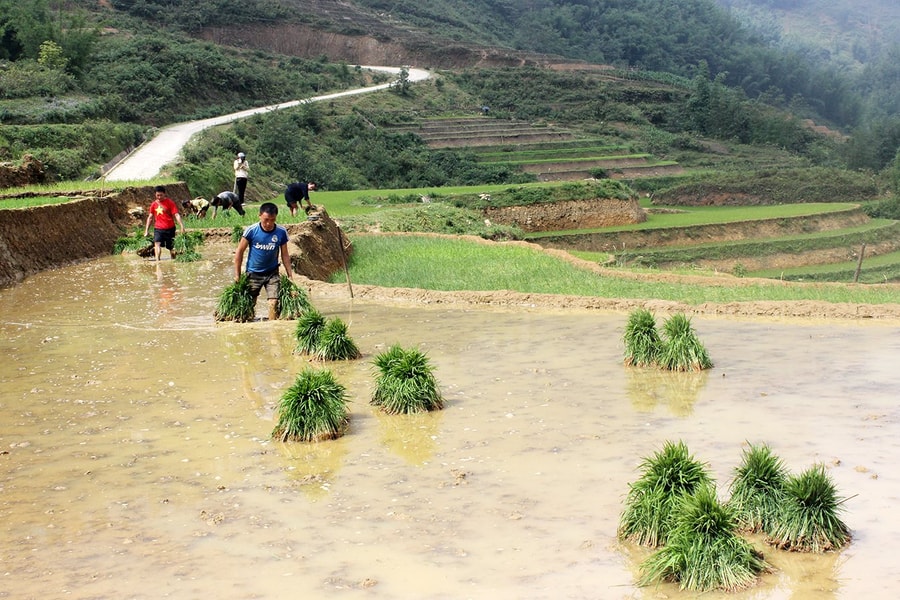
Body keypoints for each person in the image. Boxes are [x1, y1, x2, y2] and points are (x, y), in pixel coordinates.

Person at [233, 202, 294, 321]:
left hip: (272, 272)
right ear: (259, 215)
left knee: (274, 302)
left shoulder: (281, 232)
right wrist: (237, 275)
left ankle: (273, 328)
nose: (269, 224)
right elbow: (239, 252)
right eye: (266, 220)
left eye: (272, 220)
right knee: (250, 303)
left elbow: (285, 255)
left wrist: (290, 275)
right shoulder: (251, 231)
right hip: (253, 272)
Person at [143, 185, 185, 261]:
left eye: (161, 195)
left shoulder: (170, 203)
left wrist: (182, 226)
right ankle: (158, 262)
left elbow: (176, 214)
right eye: (157, 195)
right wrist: (146, 230)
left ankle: (174, 260)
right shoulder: (153, 204)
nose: (159, 197)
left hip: (170, 228)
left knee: (171, 247)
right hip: (158, 229)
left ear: (165, 194)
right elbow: (150, 217)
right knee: (157, 244)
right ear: (155, 195)